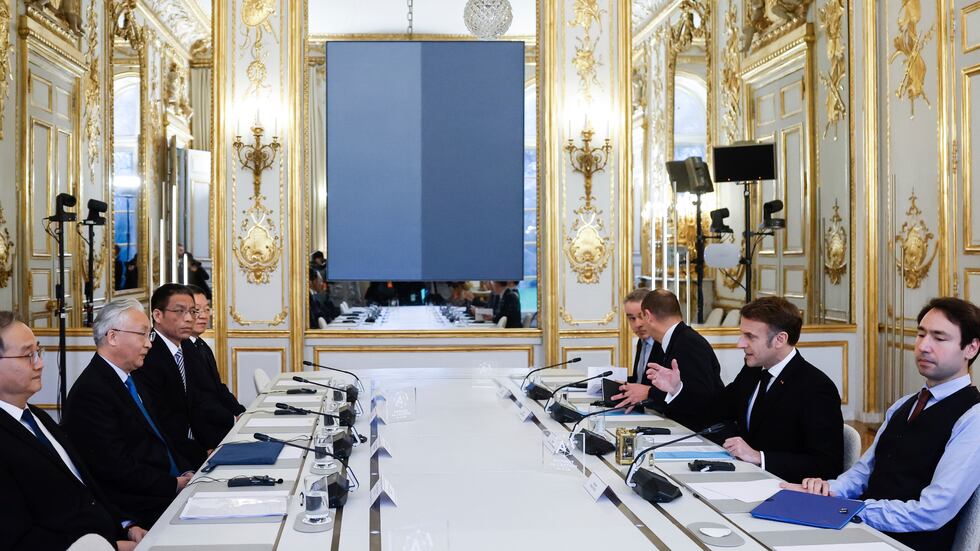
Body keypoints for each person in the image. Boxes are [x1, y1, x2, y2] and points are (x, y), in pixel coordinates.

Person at [783, 297, 980, 551]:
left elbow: (933, 511)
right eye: (920, 335)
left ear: (971, 348)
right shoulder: (903, 405)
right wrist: (825, 490)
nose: (924, 347)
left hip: (904, 543)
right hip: (862, 530)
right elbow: (863, 473)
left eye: (939, 338)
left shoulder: (973, 417)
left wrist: (852, 510)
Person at [645, 296, 844, 482]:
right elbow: (715, 410)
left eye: (750, 336)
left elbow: (827, 465)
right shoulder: (753, 372)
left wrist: (759, 457)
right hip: (741, 477)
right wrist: (676, 389)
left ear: (780, 339)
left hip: (782, 488)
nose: (740, 344)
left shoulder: (816, 388)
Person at [0, 311, 147, 550]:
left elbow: (85, 487)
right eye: (28, 355)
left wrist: (126, 526)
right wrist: (111, 546)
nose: (39, 363)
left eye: (38, 352)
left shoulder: (38, 417)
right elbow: (16, 536)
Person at [62, 298, 195, 527]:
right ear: (112, 337)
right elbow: (116, 469)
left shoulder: (129, 378)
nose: (149, 344)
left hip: (169, 486)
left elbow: (162, 438)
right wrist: (174, 484)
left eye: (149, 335)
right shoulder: (92, 393)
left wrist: (188, 470)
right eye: (142, 335)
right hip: (144, 505)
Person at [612, 289, 724, 430]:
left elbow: (701, 398)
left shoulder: (688, 342)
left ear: (648, 316)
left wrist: (649, 393)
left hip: (700, 435)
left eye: (641, 316)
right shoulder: (678, 338)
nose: (639, 324)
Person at [133, 284, 209, 465]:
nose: (189, 318)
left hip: (196, 444)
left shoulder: (188, 346)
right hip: (170, 456)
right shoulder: (147, 356)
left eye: (192, 312)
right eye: (180, 312)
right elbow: (162, 421)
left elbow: (202, 399)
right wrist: (201, 454)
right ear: (158, 315)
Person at [186, 285, 242, 443]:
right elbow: (200, 400)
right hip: (204, 433)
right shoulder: (181, 351)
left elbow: (218, 387)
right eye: (197, 311)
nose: (203, 316)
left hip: (220, 421)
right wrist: (232, 419)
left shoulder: (201, 345)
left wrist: (242, 413)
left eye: (207, 309)